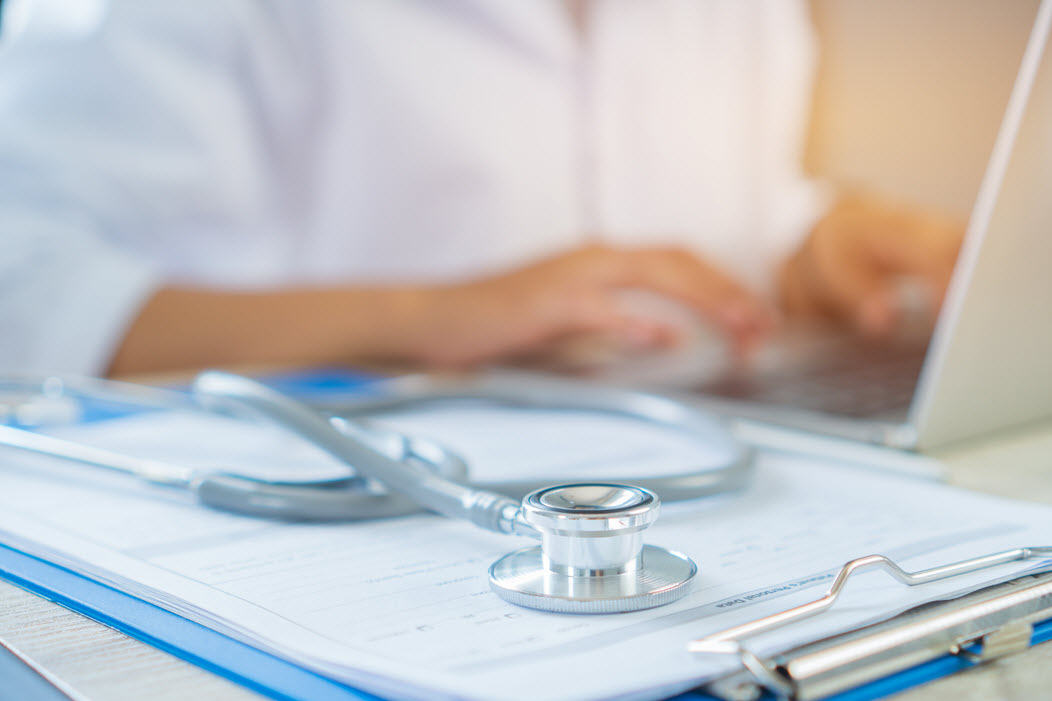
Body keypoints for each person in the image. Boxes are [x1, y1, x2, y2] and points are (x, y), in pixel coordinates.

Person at [0, 1, 962, 376]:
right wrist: (427, 311)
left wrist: (809, 242)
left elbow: (725, 213)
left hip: (704, 477)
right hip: (328, 533)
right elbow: (26, 295)